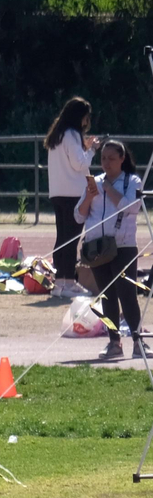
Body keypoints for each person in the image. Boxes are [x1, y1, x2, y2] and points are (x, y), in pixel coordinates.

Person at [76, 139, 144, 360]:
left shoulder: (132, 181)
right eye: (103, 158)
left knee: (127, 294)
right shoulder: (93, 182)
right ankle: (114, 342)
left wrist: (108, 189)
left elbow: (133, 207)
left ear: (122, 159)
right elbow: (78, 215)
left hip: (123, 246)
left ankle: (138, 341)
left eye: (112, 159)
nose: (106, 163)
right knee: (106, 295)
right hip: (97, 248)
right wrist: (89, 196)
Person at [45, 97, 98, 292]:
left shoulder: (57, 135)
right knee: (71, 238)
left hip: (58, 192)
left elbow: (71, 160)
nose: (87, 121)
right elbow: (79, 164)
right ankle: (66, 282)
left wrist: (83, 147)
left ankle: (62, 281)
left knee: (63, 237)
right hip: (73, 193)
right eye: (86, 117)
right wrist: (91, 149)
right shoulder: (71, 135)